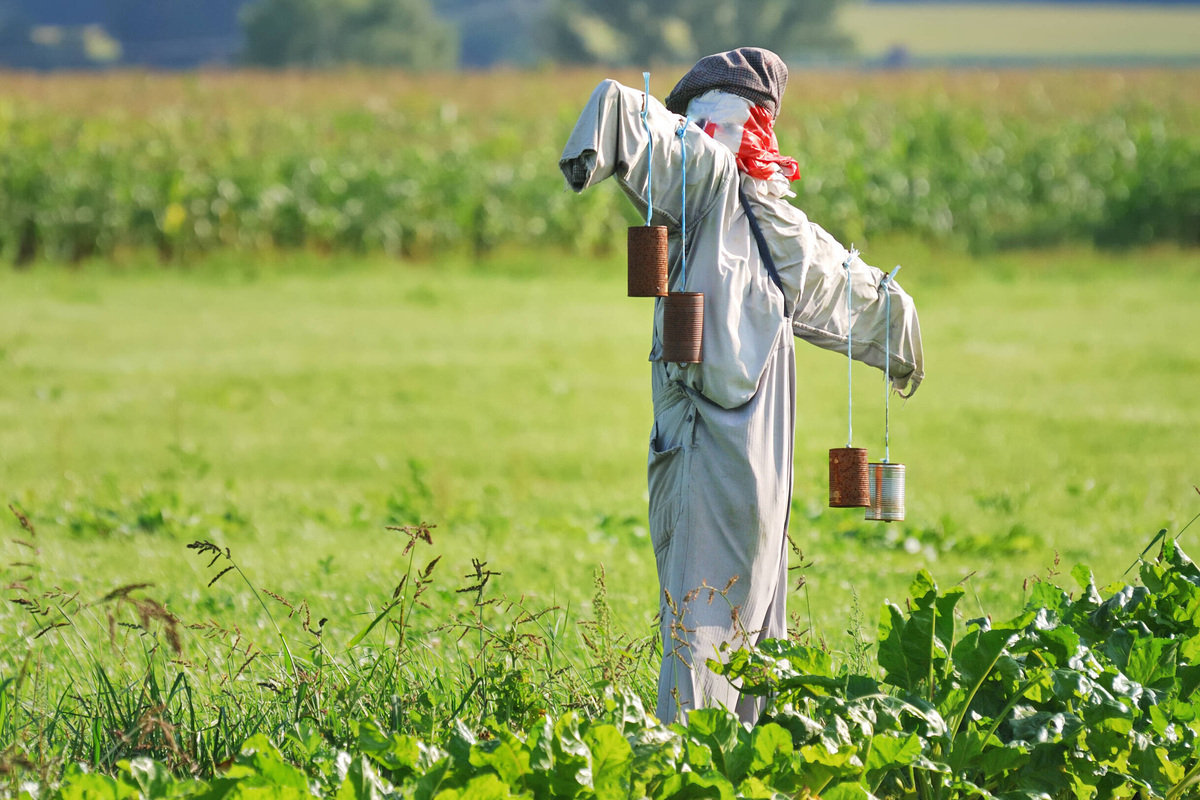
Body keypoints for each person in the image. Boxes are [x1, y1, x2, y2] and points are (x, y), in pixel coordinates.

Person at [559, 48, 924, 725]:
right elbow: (868, 297)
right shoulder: (783, 223)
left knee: (702, 610)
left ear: (714, 122)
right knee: (750, 605)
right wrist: (904, 339)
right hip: (763, 452)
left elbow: (622, 111)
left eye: (701, 123)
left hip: (704, 441)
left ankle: (689, 758)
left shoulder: (712, 182)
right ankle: (752, 753)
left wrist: (600, 139)